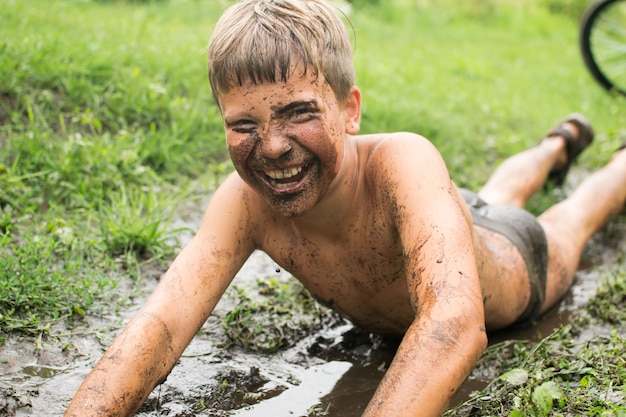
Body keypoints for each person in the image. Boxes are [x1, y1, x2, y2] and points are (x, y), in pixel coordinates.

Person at [64, 0, 626, 416]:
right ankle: (560, 142)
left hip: (510, 255)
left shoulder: (402, 160)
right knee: (496, 191)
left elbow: (452, 322)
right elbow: (163, 324)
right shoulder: (245, 203)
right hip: (445, 224)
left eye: (299, 112)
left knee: (575, 213)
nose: (274, 144)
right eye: (243, 124)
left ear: (350, 109)